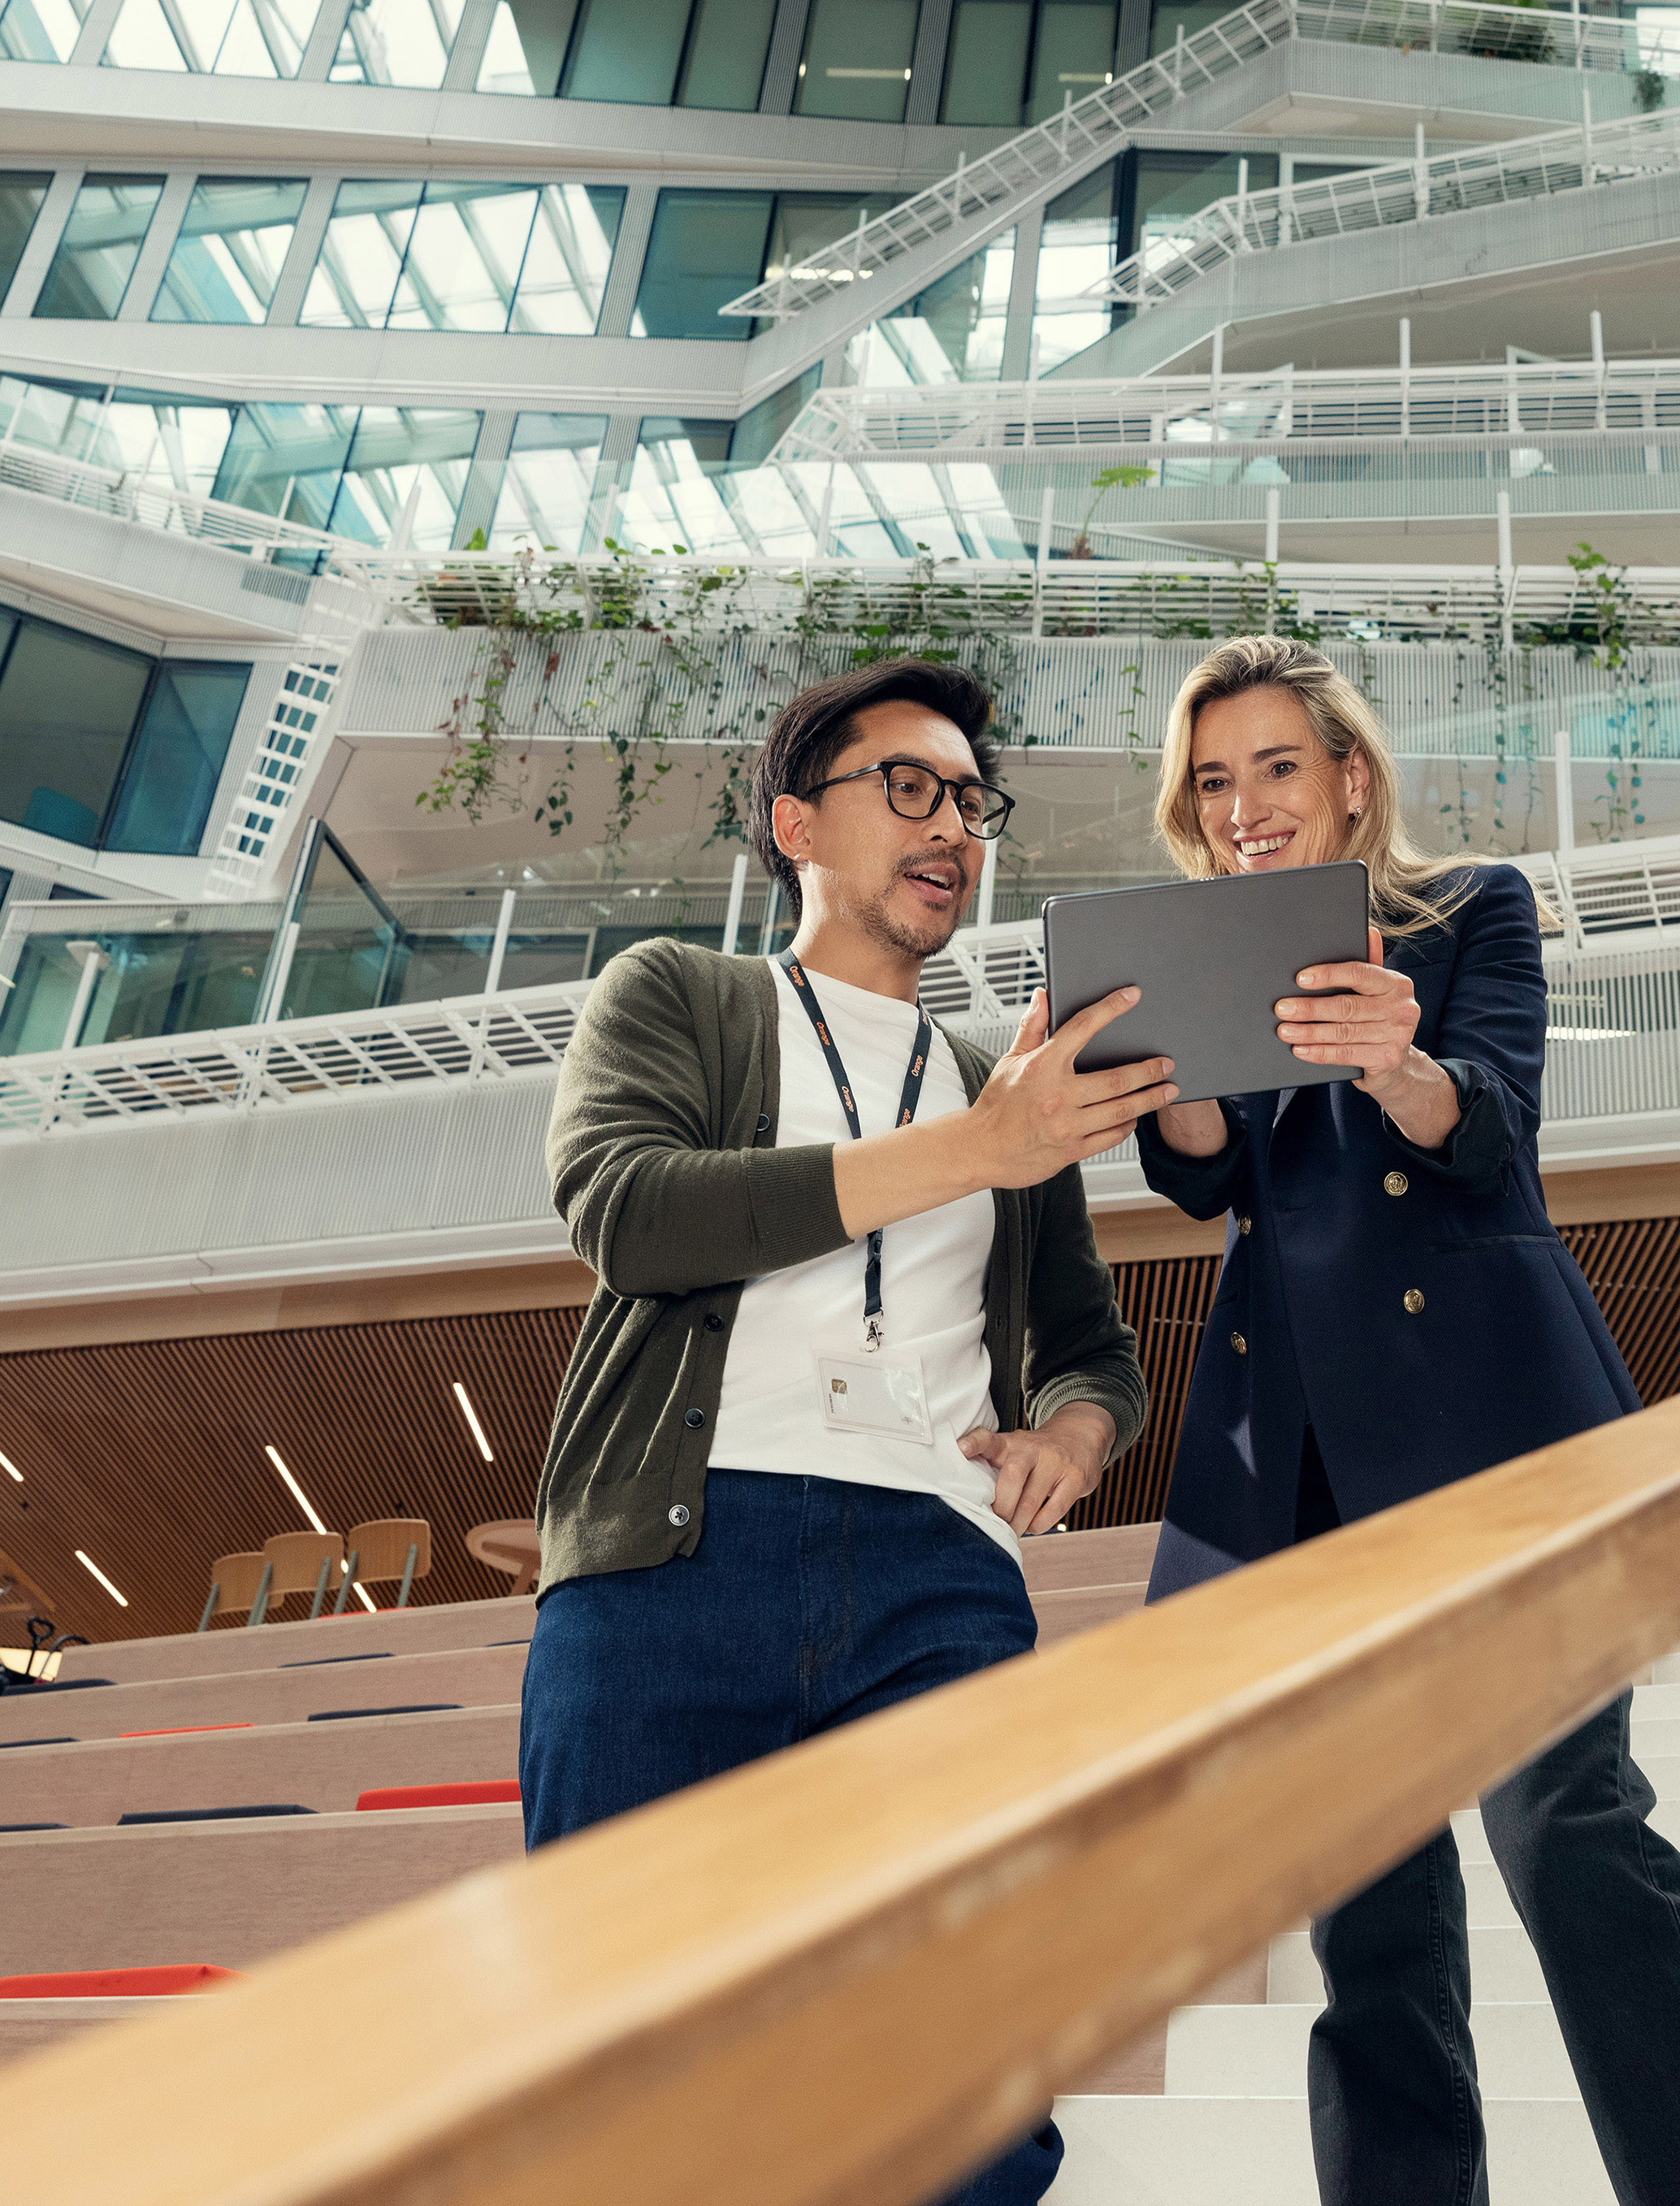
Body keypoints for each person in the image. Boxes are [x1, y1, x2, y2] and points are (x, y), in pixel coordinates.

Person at [1132, 636, 1680, 2206]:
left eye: (1278, 766)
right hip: (1299, 1462)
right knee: (1365, 1898)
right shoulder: (1204, 956)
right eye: (1215, 779)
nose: (1245, 804)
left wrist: (1403, 1064)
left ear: (1351, 776)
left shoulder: (1470, 913)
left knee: (1568, 1833)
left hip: (1488, 1436)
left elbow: (1497, 1123)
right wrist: (1163, 1088)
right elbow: (1213, 1176)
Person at [522, 657, 1166, 2206]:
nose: (954, 824)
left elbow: (1091, 1349)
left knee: (966, 2085)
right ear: (796, 821)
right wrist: (978, 1147)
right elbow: (630, 1212)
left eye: (971, 799)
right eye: (910, 787)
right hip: (675, 1562)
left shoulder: (1001, 1084)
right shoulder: (681, 992)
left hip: (938, 1581)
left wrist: (1074, 1435)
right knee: (629, 2070)